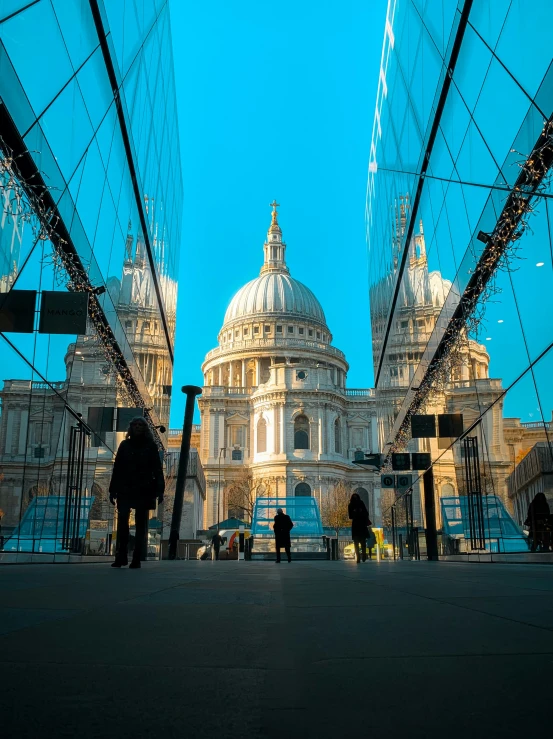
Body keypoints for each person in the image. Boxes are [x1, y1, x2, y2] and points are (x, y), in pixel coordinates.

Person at [109, 417, 164, 569]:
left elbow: (157, 469)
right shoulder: (124, 445)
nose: (138, 427)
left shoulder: (151, 446)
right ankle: (121, 556)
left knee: (141, 524)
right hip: (125, 487)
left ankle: (136, 558)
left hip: (143, 488)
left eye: (141, 425)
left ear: (145, 428)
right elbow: (117, 468)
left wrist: (160, 490)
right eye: (135, 425)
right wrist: (112, 489)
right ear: (131, 428)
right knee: (122, 523)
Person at [349, 492, 371, 563]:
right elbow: (350, 516)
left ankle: (363, 556)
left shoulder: (358, 504)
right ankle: (359, 557)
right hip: (359, 525)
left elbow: (366, 513)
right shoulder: (351, 505)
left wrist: (360, 512)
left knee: (361, 543)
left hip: (359, 525)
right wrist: (356, 512)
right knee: (359, 543)